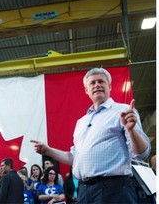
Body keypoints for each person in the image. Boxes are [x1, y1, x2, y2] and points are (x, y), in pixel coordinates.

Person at [31, 67, 151, 203]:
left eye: (101, 81)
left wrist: (131, 130)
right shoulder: (81, 122)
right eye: (92, 83)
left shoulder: (124, 111)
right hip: (84, 191)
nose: (97, 85)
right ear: (86, 90)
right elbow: (74, 157)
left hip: (114, 190)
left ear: (109, 86)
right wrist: (48, 151)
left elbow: (142, 153)